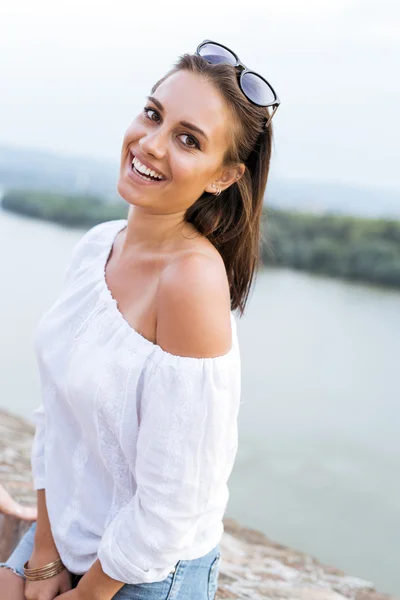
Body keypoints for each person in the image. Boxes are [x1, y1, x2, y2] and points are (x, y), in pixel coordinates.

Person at [0, 40, 279, 600]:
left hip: (144, 572)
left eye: (187, 139)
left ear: (223, 176)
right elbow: (56, 416)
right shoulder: (98, 245)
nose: (150, 144)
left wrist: (87, 592)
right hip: (67, 533)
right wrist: (46, 551)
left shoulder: (192, 284)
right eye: (153, 114)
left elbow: (174, 500)